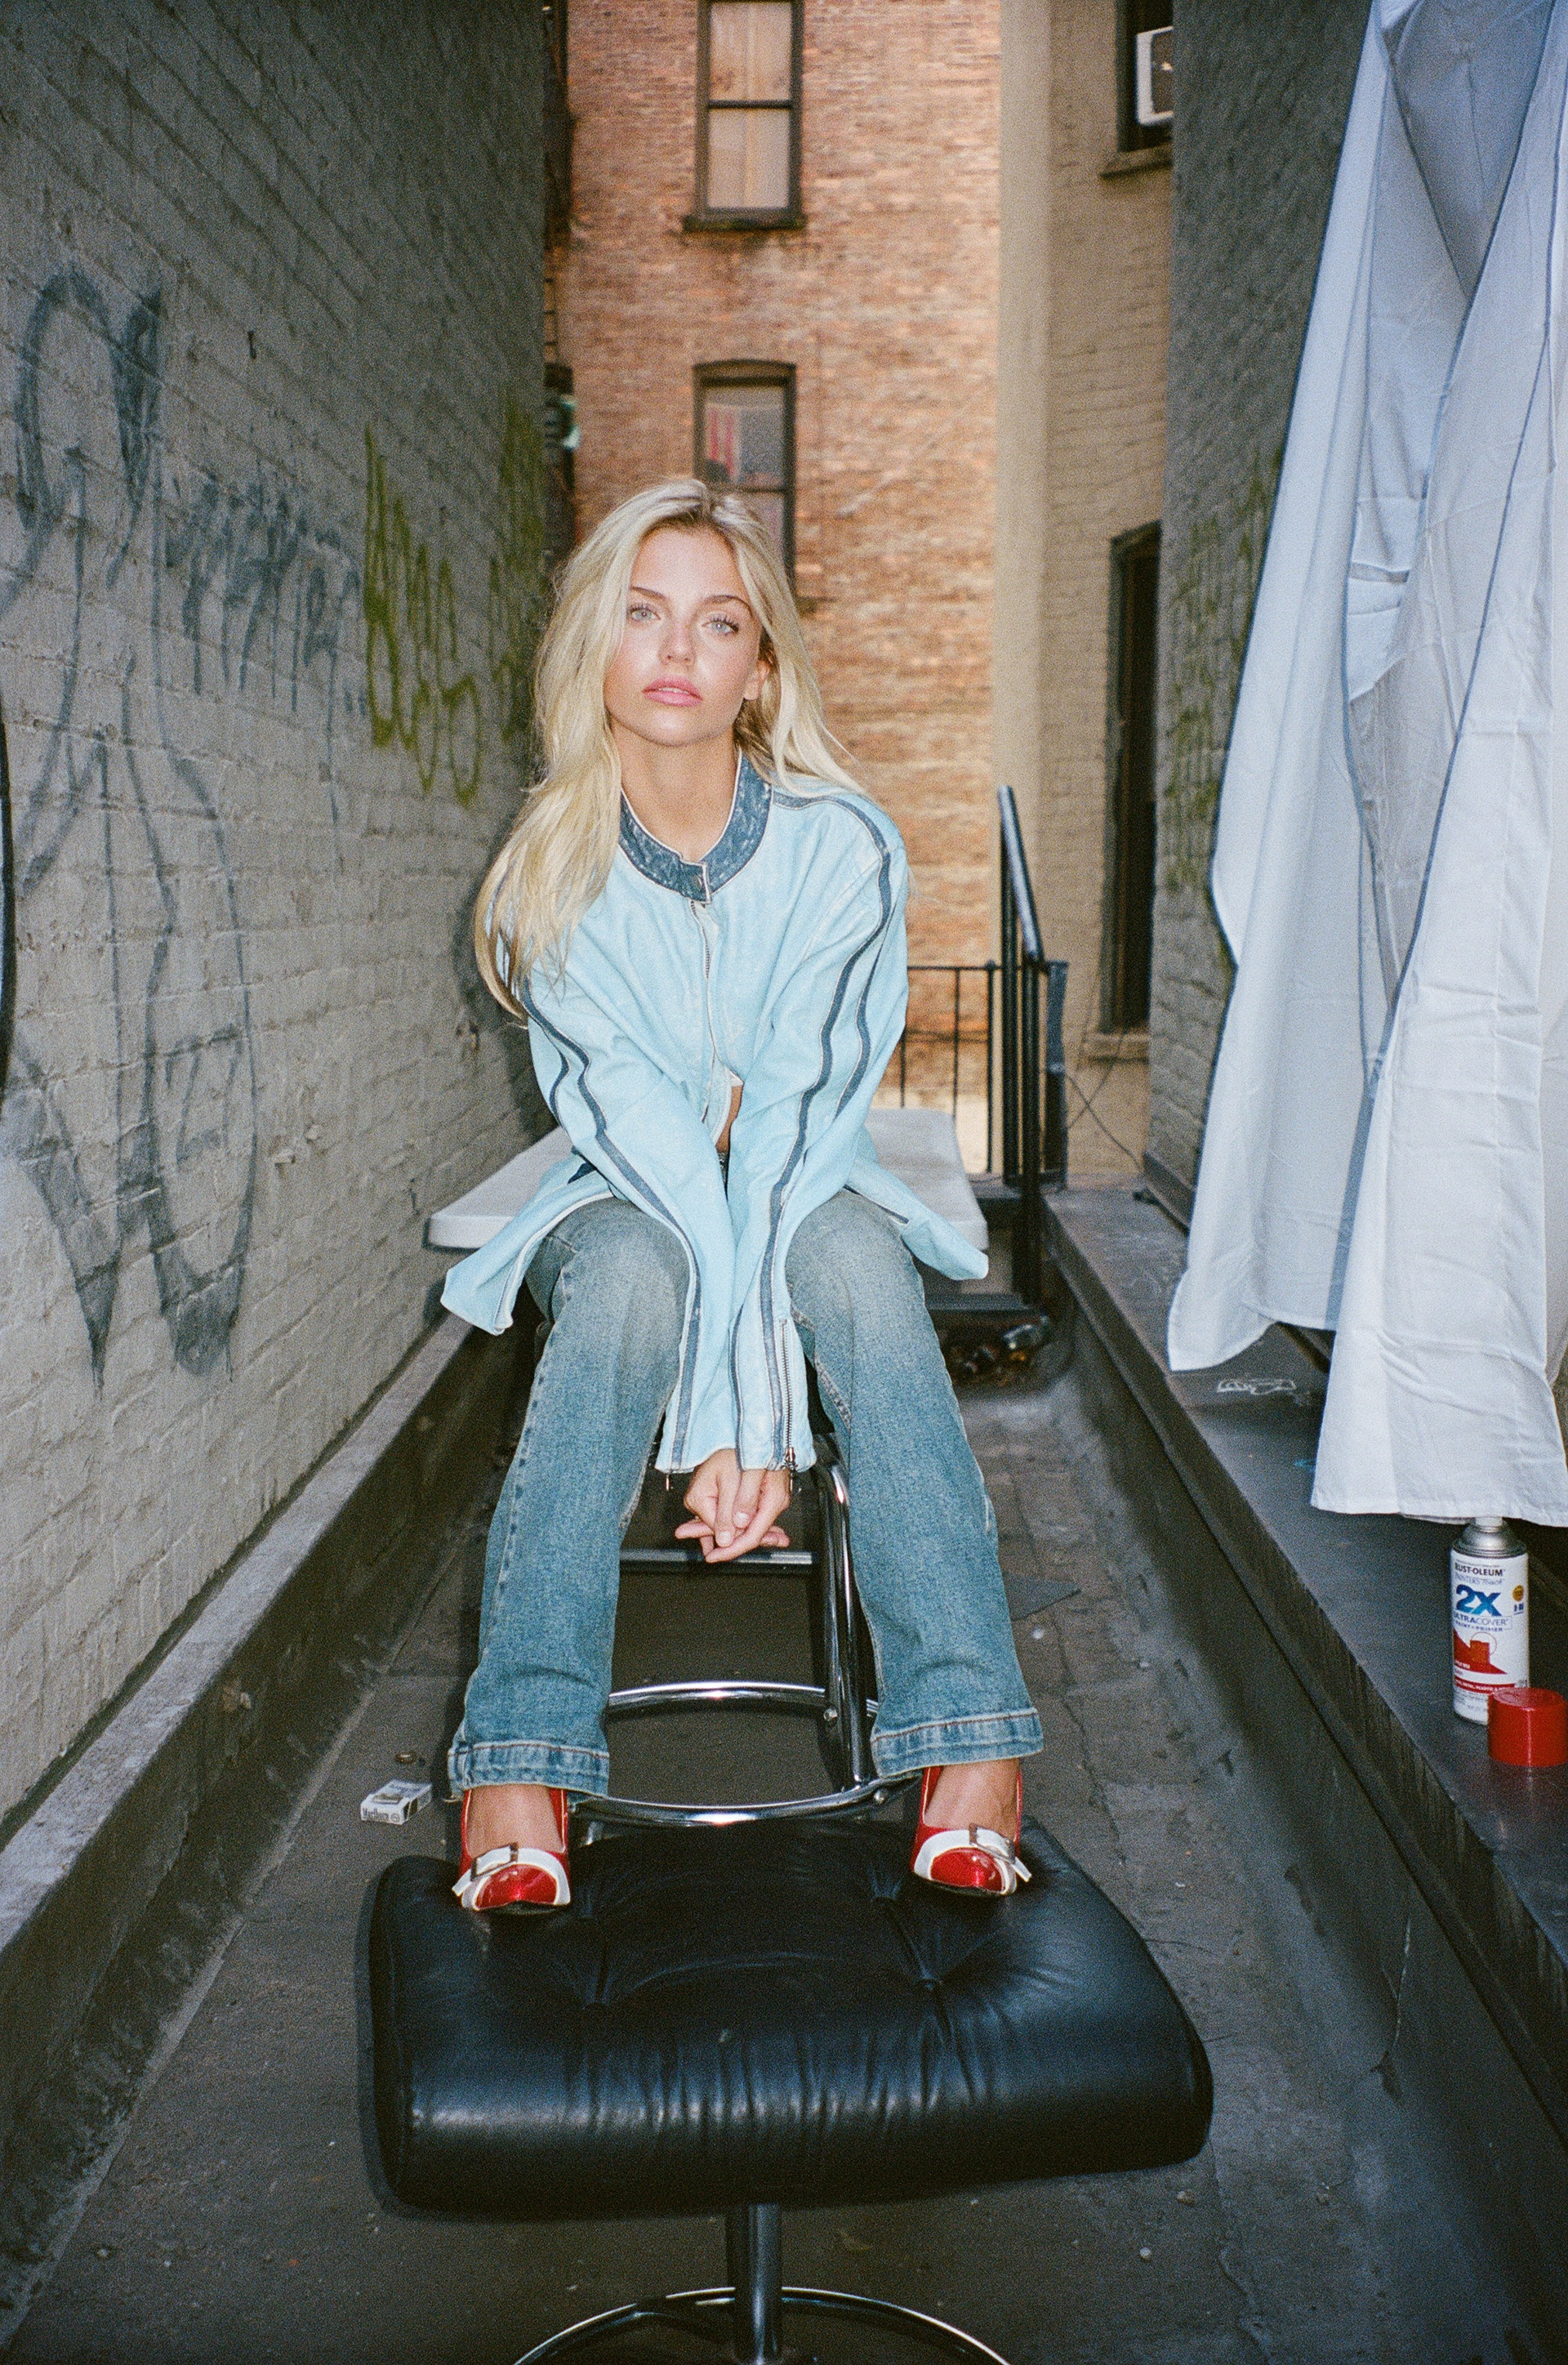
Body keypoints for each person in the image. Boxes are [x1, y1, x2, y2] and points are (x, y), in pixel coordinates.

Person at [441, 479, 1042, 1910]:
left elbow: (783, 1129)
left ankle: (971, 1737)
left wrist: (751, 1413)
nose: (676, 651)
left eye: (718, 624)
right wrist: (733, 1409)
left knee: (854, 1272)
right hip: (622, 1190)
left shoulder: (845, 851)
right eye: (641, 614)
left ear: (760, 667)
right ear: (594, 644)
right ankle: (519, 1752)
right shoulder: (549, 880)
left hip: (810, 1171)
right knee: (629, 1276)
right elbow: (651, 1142)